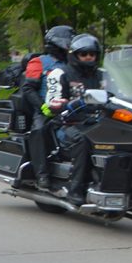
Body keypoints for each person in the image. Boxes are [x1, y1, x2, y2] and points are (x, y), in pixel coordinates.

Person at [43, 33, 103, 205]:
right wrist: (66, 104)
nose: (89, 57)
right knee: (84, 141)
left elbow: (118, 93)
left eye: (92, 54)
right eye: (84, 54)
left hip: (99, 123)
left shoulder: (102, 75)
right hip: (68, 124)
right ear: (75, 55)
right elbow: (51, 101)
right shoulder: (60, 73)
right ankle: (75, 189)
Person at [21, 25, 74, 190]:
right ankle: (41, 174)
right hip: (47, 108)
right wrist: (43, 107)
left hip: (73, 107)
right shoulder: (39, 62)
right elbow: (28, 89)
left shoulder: (73, 62)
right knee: (39, 130)